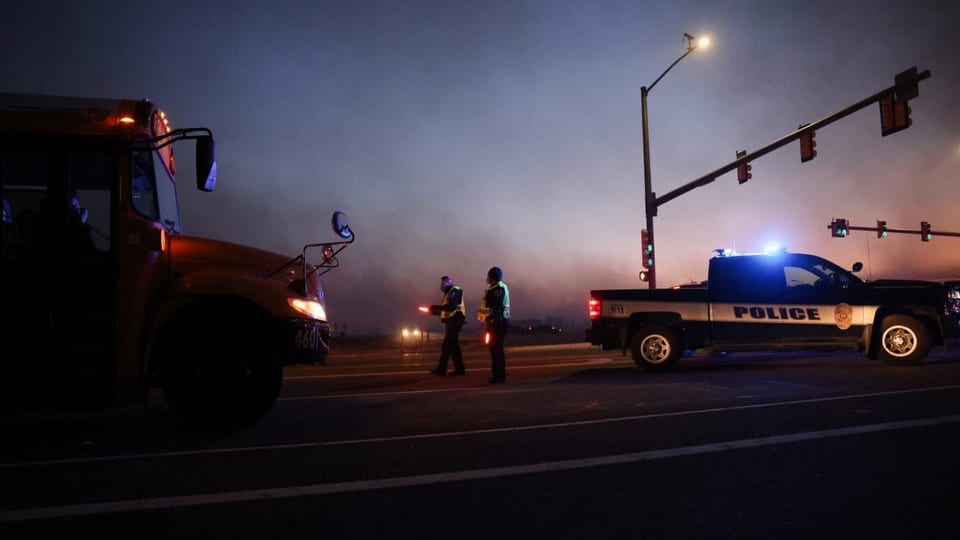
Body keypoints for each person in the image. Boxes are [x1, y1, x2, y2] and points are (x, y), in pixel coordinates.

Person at [477, 266, 510, 384]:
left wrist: (491, 317)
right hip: (494, 323)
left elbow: (496, 307)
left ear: (493, 277)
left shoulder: (498, 289)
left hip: (498, 323)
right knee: (493, 349)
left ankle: (499, 377)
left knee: (497, 350)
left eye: (489, 276)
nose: (488, 279)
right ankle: (496, 375)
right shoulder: (495, 289)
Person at [429, 275, 467, 376]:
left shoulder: (454, 291)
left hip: (455, 321)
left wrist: (436, 307)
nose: (441, 285)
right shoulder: (448, 293)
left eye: (443, 283)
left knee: (447, 345)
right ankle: (460, 369)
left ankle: (442, 369)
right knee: (454, 347)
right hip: (451, 321)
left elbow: (451, 307)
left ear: (448, 283)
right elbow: (446, 310)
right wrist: (436, 312)